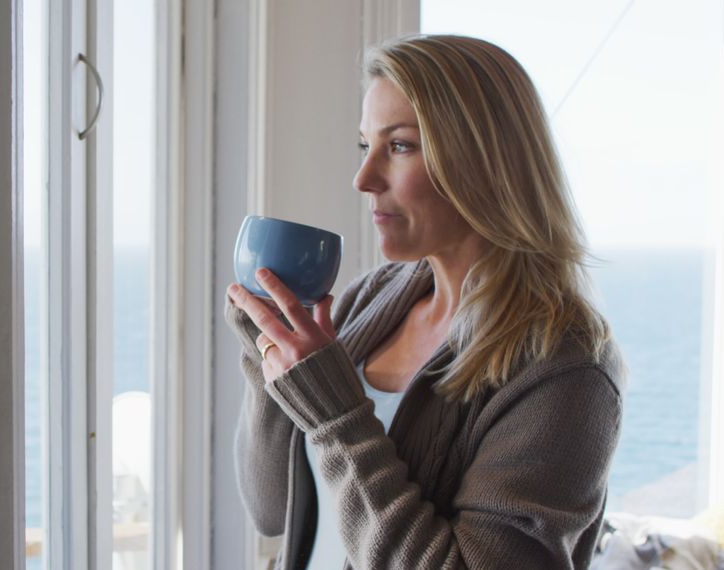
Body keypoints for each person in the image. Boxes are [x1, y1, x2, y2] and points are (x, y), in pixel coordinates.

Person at [224, 34, 626, 570]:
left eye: (401, 146)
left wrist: (338, 419)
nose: (363, 179)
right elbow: (273, 511)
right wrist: (268, 360)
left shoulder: (564, 369)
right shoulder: (372, 298)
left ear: (486, 161)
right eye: (366, 146)